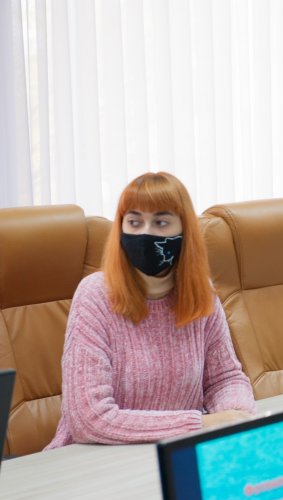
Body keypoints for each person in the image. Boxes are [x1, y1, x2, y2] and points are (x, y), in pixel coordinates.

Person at [46, 172, 255, 449]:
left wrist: (236, 416)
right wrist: (201, 424)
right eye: (134, 222)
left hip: (171, 452)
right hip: (94, 457)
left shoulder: (200, 293)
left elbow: (225, 379)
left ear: (184, 231)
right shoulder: (95, 295)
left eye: (161, 222)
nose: (146, 233)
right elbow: (89, 419)